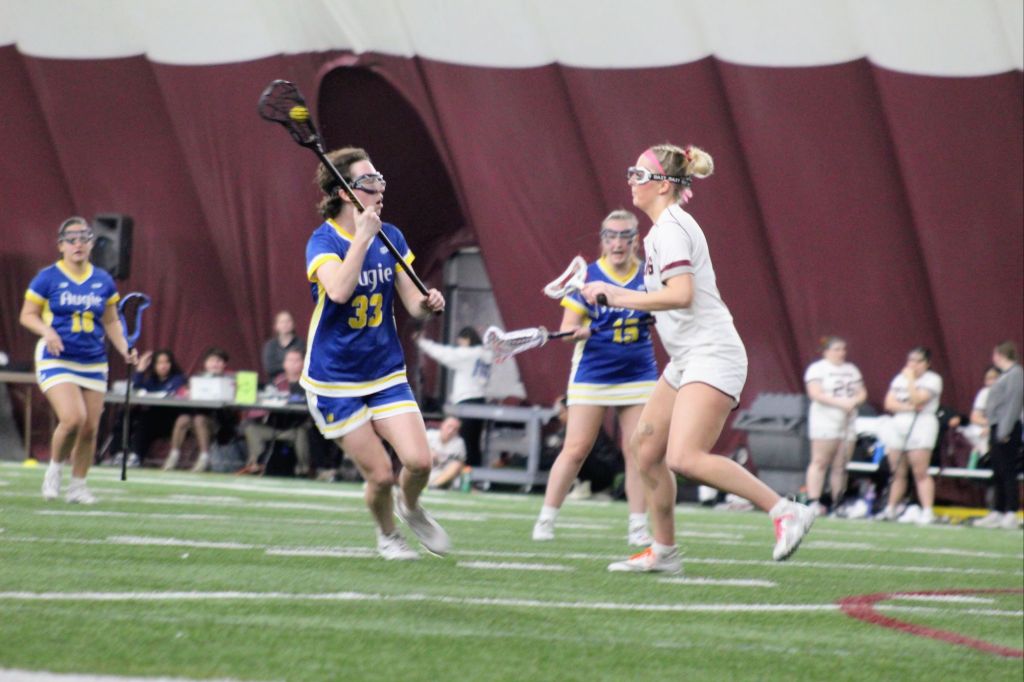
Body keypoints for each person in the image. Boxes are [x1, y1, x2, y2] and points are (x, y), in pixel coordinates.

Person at [580, 144, 814, 573]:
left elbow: (682, 294)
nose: (631, 180)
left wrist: (615, 295)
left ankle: (785, 510)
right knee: (645, 448)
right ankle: (664, 552)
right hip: (688, 357)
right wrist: (617, 301)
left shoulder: (670, 229)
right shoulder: (662, 230)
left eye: (639, 174)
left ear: (663, 185)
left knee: (684, 458)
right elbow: (669, 300)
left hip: (712, 354)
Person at [300, 146, 450, 560]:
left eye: (379, 179)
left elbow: (413, 304)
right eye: (368, 182)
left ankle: (411, 507)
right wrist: (363, 237)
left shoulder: (392, 236)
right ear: (345, 192)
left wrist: (429, 302)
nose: (379, 189)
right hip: (334, 380)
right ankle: (388, 536)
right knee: (381, 476)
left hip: (384, 370)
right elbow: (339, 291)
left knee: (419, 462)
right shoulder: (323, 240)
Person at [532, 209, 656, 546]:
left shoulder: (648, 275)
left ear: (635, 240)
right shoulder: (588, 276)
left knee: (638, 451)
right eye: (611, 237)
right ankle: (546, 518)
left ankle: (638, 526)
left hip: (638, 372)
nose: (617, 243)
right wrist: (580, 332)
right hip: (593, 372)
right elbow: (567, 330)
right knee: (576, 449)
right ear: (602, 240)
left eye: (624, 237)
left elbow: (665, 309)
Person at [18, 216, 137, 503]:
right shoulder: (48, 277)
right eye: (71, 240)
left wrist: (125, 348)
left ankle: (78, 487)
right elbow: (27, 315)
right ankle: (54, 471)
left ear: (92, 244)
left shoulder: (103, 279)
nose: (78, 244)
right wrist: (47, 331)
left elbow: (111, 321)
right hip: (57, 357)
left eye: (84, 238)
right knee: (73, 418)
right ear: (61, 246)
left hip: (93, 359)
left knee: (89, 428)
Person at [877, 346, 943, 524]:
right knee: (897, 472)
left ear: (927, 363)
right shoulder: (899, 379)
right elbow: (889, 403)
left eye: (918, 361)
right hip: (899, 424)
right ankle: (891, 508)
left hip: (921, 425)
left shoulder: (933, 380)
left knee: (920, 471)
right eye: (911, 360)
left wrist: (911, 380)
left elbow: (918, 399)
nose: (913, 365)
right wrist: (909, 407)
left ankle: (927, 510)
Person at [803, 336, 867, 516]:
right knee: (820, 461)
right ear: (826, 351)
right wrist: (841, 403)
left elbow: (861, 392)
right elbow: (815, 393)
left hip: (847, 421)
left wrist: (854, 401)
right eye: (837, 349)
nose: (841, 353)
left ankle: (838, 500)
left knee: (841, 464)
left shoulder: (851, 370)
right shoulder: (817, 369)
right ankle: (814, 500)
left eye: (843, 349)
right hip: (825, 420)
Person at [415, 327, 492, 466]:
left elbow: (444, 354)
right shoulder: (485, 355)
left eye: (460, 342)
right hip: (480, 401)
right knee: (474, 442)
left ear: (467, 340)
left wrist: (422, 342)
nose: (459, 345)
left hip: (466, 402)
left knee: (463, 441)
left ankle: (462, 471)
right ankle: (474, 472)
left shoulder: (468, 355)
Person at [109, 348, 187, 466]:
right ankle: (117, 453)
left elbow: (171, 392)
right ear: (154, 365)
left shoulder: (178, 378)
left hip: (170, 419)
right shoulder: (151, 380)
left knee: (145, 420)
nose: (163, 366)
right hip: (151, 416)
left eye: (166, 362)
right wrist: (140, 369)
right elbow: (135, 388)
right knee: (125, 415)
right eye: (159, 363)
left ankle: (136, 455)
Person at [975, 342, 1023, 529]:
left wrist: (1005, 430)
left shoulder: (1016, 374)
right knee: (998, 471)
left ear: (1001, 355)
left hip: (1007, 427)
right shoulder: (1005, 375)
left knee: (1008, 471)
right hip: (997, 426)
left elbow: (1013, 404)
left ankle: (1011, 512)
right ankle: (998, 510)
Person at [241, 348, 312, 476]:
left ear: (303, 363)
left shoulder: (308, 384)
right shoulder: (275, 383)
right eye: (290, 360)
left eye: (297, 360)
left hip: (294, 429)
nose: (293, 363)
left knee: (302, 431)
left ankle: (304, 468)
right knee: (250, 427)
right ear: (284, 364)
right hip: (274, 427)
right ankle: (258, 463)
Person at [163, 347, 233, 473]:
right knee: (183, 419)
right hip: (196, 417)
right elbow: (181, 392)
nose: (215, 364)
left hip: (220, 421)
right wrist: (186, 393)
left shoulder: (230, 380)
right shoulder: (197, 378)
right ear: (205, 364)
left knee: (199, 420)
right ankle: (173, 456)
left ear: (224, 364)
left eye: (218, 361)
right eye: (211, 361)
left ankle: (204, 458)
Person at [960, 365, 1000, 460]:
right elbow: (975, 417)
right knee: (976, 433)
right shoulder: (984, 393)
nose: (992, 381)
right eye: (989, 379)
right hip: (988, 427)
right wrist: (989, 425)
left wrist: (992, 427)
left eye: (995, 378)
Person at [262, 310, 305, 382]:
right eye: (282, 322)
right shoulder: (270, 345)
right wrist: (290, 366)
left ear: (293, 324)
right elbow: (270, 368)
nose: (285, 324)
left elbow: (306, 365)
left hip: (299, 381)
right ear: (276, 326)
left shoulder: (301, 344)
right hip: (275, 383)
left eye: (288, 321)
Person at [426, 416, 467, 489]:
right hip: (425, 470)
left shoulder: (459, 443)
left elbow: (461, 465)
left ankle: (433, 486)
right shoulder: (429, 435)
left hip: (444, 474)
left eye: (455, 429)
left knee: (457, 464)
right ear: (442, 425)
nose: (451, 431)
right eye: (449, 426)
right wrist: (427, 452)